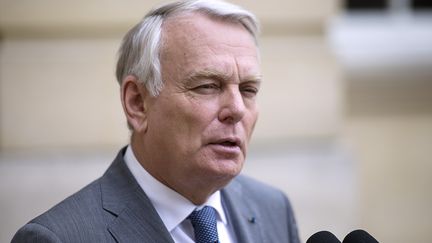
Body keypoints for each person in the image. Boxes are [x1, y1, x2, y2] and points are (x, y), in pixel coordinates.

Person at [12, 0, 300, 242]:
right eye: (207, 86)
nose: (236, 109)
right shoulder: (58, 237)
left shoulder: (273, 208)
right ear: (137, 103)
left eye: (248, 90)